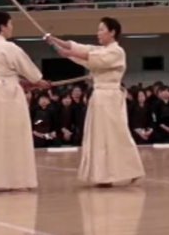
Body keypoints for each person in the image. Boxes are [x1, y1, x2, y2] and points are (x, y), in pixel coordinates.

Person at [45, 17, 145, 187]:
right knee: (99, 136)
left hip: (110, 96)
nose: (98, 33)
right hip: (100, 96)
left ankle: (129, 170)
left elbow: (91, 56)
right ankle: (102, 175)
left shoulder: (116, 51)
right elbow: (82, 48)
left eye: (101, 29)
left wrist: (68, 53)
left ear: (112, 32)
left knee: (115, 134)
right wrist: (54, 40)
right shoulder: (102, 50)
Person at [0, 11, 51, 192]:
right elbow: (32, 73)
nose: (11, 27)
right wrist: (41, 83)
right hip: (8, 95)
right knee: (13, 135)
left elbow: (5, 74)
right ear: (2, 26)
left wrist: (27, 83)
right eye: (10, 24)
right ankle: (14, 179)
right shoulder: (9, 48)